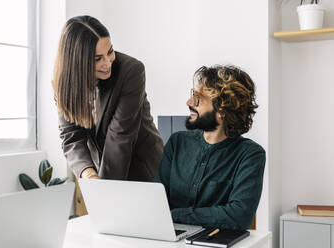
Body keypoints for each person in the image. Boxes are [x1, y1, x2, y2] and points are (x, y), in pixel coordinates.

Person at [52, 15, 163, 181]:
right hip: (103, 171)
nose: (107, 63)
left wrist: (105, 191)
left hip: (143, 167)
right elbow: (71, 137)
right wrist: (89, 174)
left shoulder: (131, 71)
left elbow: (120, 136)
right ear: (77, 61)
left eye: (110, 51)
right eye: (97, 59)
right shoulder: (64, 84)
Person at [155, 65, 266, 230]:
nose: (189, 102)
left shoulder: (250, 155)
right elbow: (156, 200)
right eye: (193, 95)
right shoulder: (177, 142)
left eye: (198, 98)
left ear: (222, 109)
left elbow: (239, 216)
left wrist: (175, 215)